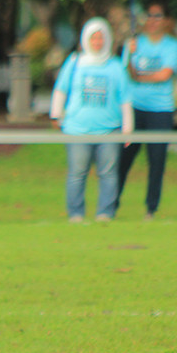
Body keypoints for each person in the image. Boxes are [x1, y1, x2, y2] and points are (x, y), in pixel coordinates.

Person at [50, 17, 133, 223]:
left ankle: (105, 212)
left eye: (101, 38)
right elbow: (61, 89)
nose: (97, 42)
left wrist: (128, 128)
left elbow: (125, 98)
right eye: (93, 38)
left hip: (109, 130)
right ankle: (76, 214)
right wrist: (56, 113)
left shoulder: (115, 65)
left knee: (108, 174)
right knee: (77, 173)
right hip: (78, 129)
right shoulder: (75, 62)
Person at [117, 1, 177, 220]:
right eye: (150, 15)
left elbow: (165, 74)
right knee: (123, 158)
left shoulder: (172, 45)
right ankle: (111, 204)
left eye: (158, 16)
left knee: (157, 160)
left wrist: (141, 77)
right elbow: (126, 74)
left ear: (166, 20)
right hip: (135, 108)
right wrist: (130, 55)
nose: (153, 20)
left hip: (160, 110)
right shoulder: (134, 43)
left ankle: (151, 208)